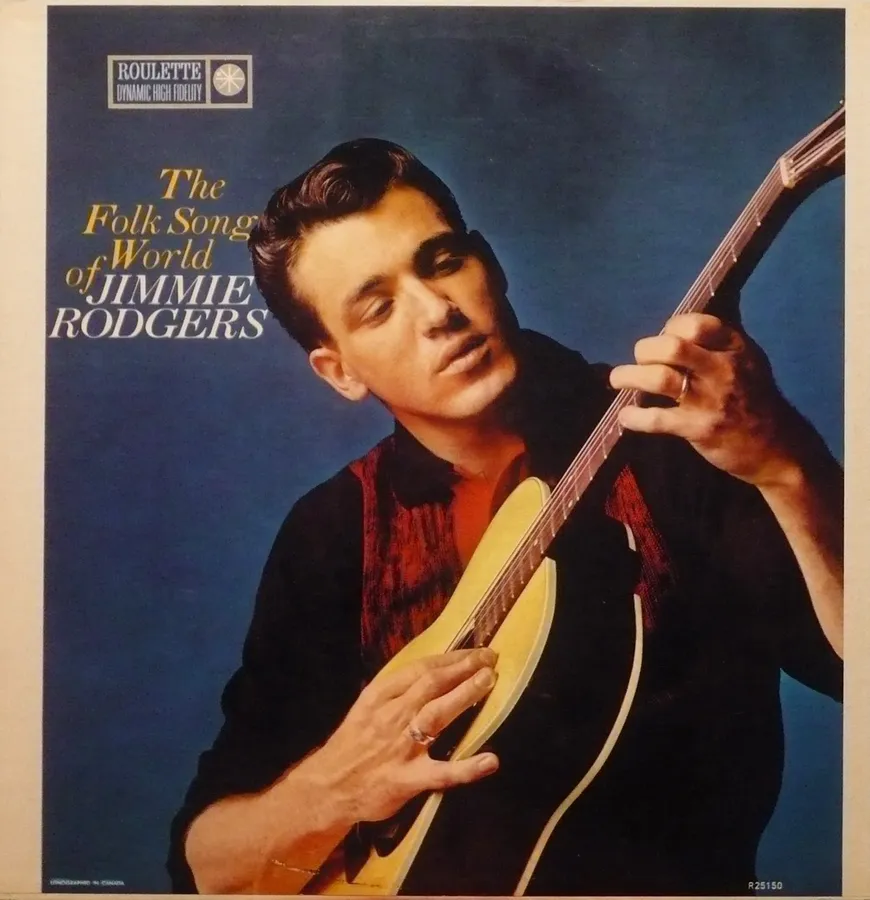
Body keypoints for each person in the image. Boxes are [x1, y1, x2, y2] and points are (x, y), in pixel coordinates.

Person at [168, 139, 843, 896]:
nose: (438, 313)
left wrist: (786, 463)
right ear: (339, 371)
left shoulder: (674, 440)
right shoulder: (331, 533)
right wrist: (332, 792)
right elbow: (205, 868)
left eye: (442, 262)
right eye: (379, 307)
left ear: (489, 262)